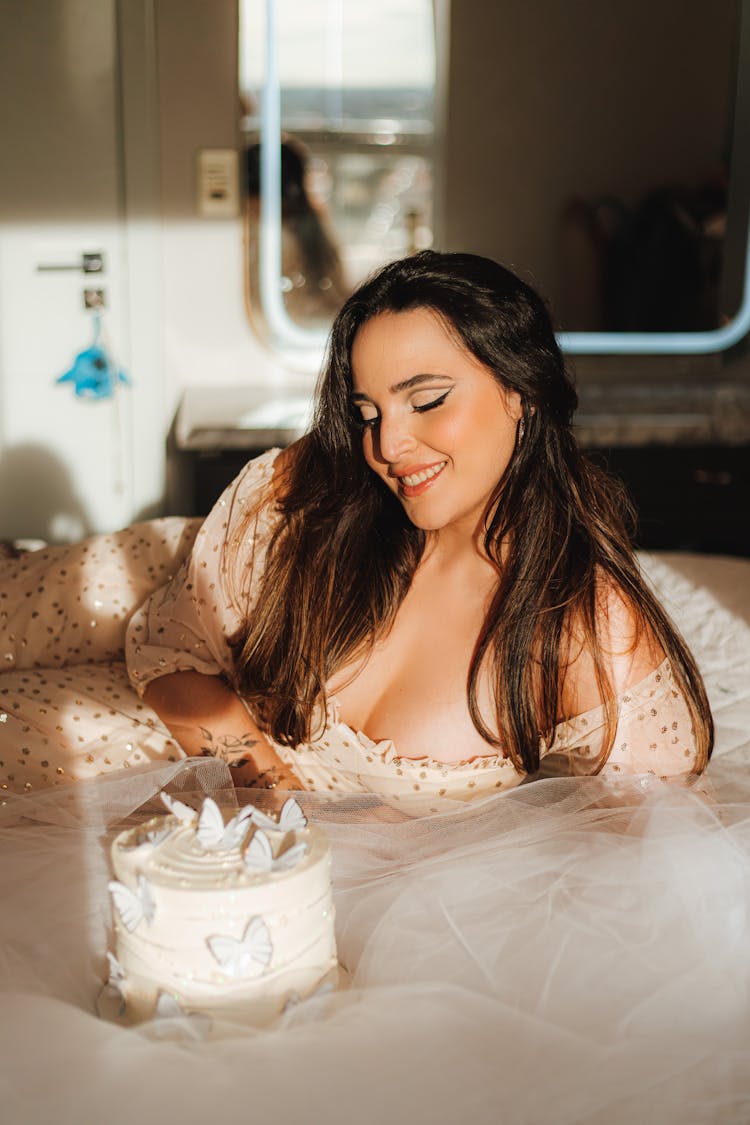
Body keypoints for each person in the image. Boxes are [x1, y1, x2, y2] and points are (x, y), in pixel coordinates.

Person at [125, 250, 713, 812]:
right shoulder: (324, 492)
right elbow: (168, 651)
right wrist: (281, 804)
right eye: (367, 413)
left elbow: (655, 852)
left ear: (523, 391)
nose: (387, 446)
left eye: (427, 400)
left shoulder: (587, 623)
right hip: (132, 589)